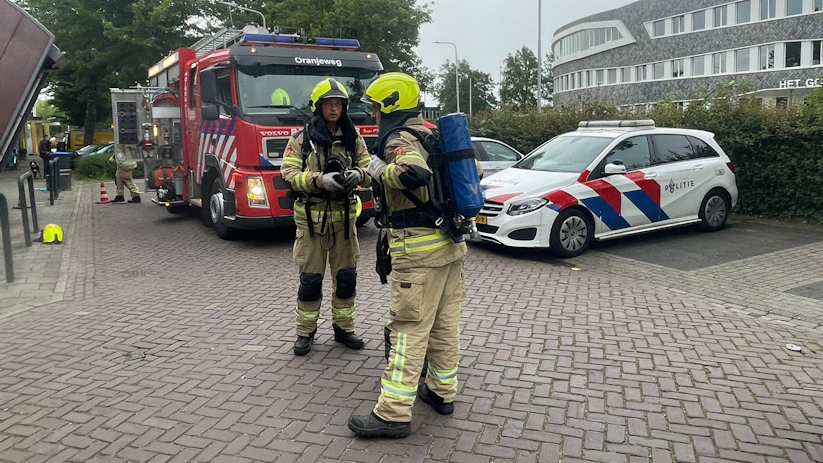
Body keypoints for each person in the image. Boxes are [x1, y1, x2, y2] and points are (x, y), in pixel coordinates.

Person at [347, 72, 470, 438]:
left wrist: (375, 169)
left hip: (417, 250)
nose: (372, 115)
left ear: (390, 106)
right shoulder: (431, 133)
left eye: (375, 107)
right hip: (450, 245)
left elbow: (413, 172)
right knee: (445, 326)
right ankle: (441, 391)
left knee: (408, 330)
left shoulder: (400, 138)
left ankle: (393, 413)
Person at [280, 78, 371, 356]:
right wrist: (320, 180)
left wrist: (358, 175)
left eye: (339, 104)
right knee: (310, 282)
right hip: (310, 226)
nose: (334, 109)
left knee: (346, 279)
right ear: (318, 107)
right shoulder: (300, 139)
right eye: (329, 104)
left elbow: (370, 170)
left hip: (345, 224)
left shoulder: (353, 138)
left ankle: (344, 329)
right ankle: (305, 333)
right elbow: (289, 174)